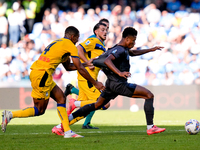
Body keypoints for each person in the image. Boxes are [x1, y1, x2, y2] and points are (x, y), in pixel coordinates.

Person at [1, 26, 105, 138]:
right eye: (77, 38)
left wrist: (85, 64)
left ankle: (67, 131)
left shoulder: (58, 42)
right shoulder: (70, 45)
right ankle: (11, 114)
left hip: (38, 73)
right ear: (72, 37)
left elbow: (69, 67)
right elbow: (79, 68)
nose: (77, 41)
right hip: (42, 75)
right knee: (39, 110)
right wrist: (95, 83)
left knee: (61, 98)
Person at [67, 27, 166, 135]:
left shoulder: (122, 49)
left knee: (97, 105)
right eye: (133, 40)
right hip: (119, 84)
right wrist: (119, 73)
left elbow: (133, 52)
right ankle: (150, 127)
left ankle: (65, 121)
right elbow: (107, 60)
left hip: (111, 84)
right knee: (149, 95)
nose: (134, 43)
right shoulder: (119, 49)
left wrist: (150, 49)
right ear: (127, 39)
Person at [52, 19, 110, 136]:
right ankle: (75, 104)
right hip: (87, 78)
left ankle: (60, 127)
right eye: (103, 29)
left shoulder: (101, 45)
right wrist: (87, 62)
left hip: (89, 78)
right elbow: (79, 49)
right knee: (104, 103)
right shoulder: (93, 40)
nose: (105, 32)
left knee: (86, 110)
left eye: (107, 30)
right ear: (96, 31)